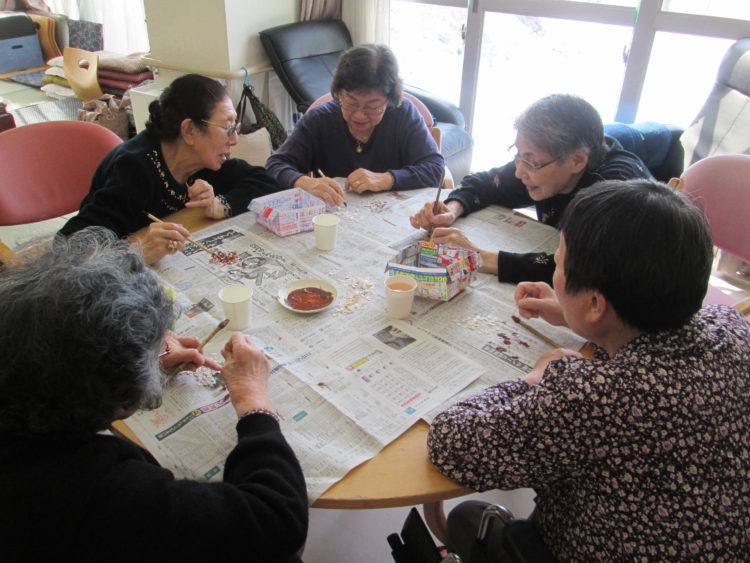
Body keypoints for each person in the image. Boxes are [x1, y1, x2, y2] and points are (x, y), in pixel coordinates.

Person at [427, 179, 750, 561]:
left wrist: (535, 378)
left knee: (466, 517)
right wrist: (574, 315)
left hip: (591, 548)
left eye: (559, 263)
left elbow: (450, 442)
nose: (555, 272)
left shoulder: (595, 397)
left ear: (596, 303)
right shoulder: (730, 325)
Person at [0, 228, 308, 562]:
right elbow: (275, 521)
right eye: (152, 350)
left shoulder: (28, 376)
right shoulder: (100, 489)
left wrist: (142, 366)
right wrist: (252, 398)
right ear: (121, 388)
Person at [410, 94, 650, 285]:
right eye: (518, 155)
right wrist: (451, 209)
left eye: (531, 161)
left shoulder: (613, 195)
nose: (519, 172)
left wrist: (479, 256)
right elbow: (485, 183)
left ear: (577, 161)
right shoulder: (547, 166)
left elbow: (581, 270)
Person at [59, 74, 280, 264]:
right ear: (189, 130)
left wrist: (219, 206)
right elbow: (68, 245)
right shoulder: (133, 170)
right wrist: (137, 252)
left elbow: (265, 182)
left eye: (235, 127)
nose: (234, 139)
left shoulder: (204, 162)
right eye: (227, 127)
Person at [265, 44, 445, 206]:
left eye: (372, 106)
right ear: (338, 93)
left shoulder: (403, 114)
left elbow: (435, 169)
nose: (359, 115)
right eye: (350, 103)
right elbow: (275, 164)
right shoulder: (320, 119)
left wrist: (386, 179)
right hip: (339, 215)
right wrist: (305, 182)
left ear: (389, 100)